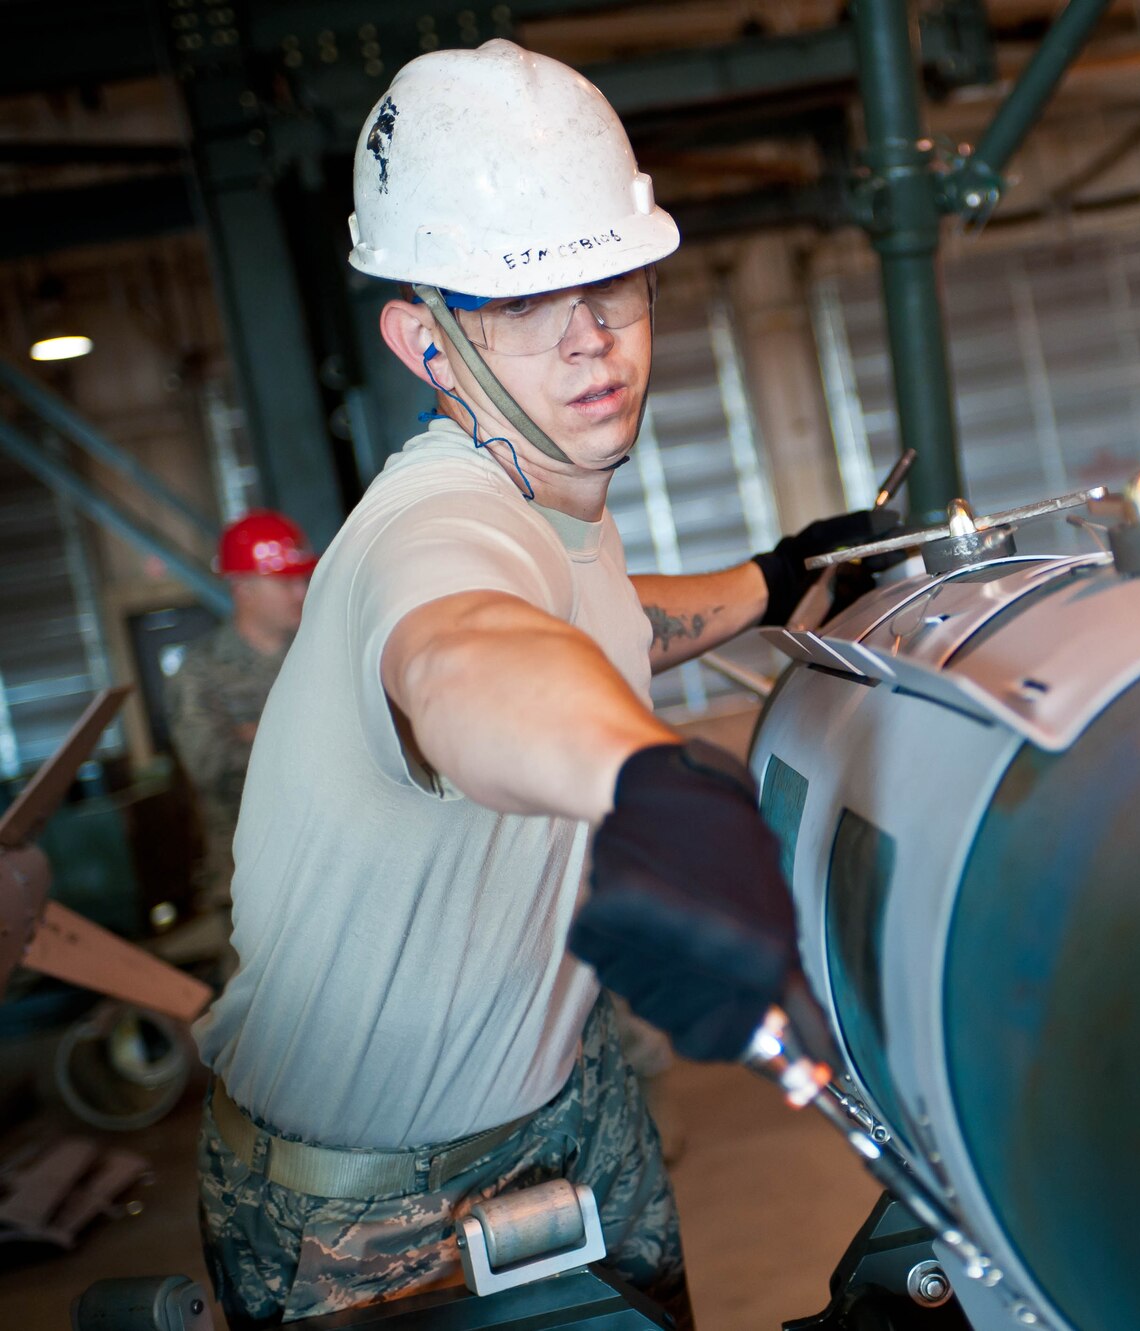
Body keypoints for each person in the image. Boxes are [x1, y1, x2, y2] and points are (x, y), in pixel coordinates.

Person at [191, 40, 878, 1328]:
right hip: (372, 1204)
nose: (589, 339)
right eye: (520, 305)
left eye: (611, 281)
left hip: (564, 1096)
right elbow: (466, 658)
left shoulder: (547, 482)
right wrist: (649, 782)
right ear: (425, 342)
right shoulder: (431, 528)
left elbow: (602, 624)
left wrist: (774, 578)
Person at [164, 511, 315, 914]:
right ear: (243, 588)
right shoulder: (200, 672)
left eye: (302, 579)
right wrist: (311, 740)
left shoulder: (320, 655)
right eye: (285, 582)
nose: (300, 592)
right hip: (254, 880)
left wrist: (258, 733)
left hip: (329, 867)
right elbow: (215, 770)